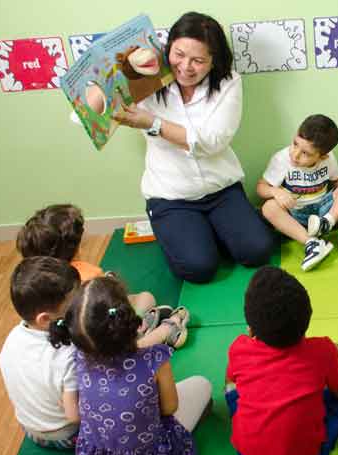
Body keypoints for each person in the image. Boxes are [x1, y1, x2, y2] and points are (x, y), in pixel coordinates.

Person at [113, 11, 274, 283]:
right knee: (199, 269)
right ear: (168, 49)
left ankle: (209, 232)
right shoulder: (145, 81)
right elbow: (91, 110)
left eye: (198, 60)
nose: (186, 67)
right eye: (179, 54)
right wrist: (123, 68)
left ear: (213, 61)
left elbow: (213, 141)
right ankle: (193, 235)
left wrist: (153, 123)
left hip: (221, 190)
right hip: (171, 198)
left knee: (257, 251)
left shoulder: (228, 82)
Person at [49, 276, 212, 455]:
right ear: (127, 321)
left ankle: (162, 330)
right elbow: (169, 408)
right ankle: (167, 328)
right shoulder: (154, 359)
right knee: (202, 384)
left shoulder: (77, 357)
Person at [225, 266, 338, 455]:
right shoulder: (323, 350)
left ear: (251, 329)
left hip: (246, 453)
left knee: (232, 388)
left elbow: (231, 381)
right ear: (306, 321)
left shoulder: (239, 347)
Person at [16, 203, 187, 347]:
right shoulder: (85, 273)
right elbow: (107, 303)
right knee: (146, 299)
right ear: (74, 246)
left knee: (142, 300)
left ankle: (141, 328)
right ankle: (159, 333)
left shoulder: (35, 282)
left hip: (77, 333)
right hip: (99, 340)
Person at [257, 114, 338, 271]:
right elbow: (260, 187)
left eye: (305, 153)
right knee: (268, 207)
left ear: (322, 156)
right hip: (295, 214)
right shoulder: (282, 159)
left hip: (322, 212)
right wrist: (276, 192)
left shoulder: (329, 159)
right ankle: (312, 243)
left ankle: (326, 224)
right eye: (295, 144)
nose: (295, 154)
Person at [0, 256, 81, 449]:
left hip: (29, 427)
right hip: (66, 434)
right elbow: (74, 417)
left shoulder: (12, 337)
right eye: (72, 305)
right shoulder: (67, 354)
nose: (79, 306)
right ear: (45, 319)